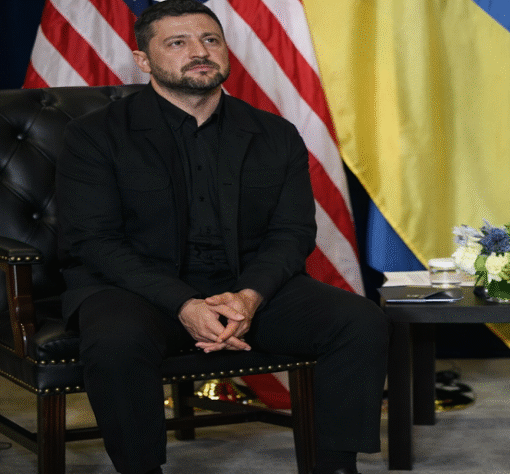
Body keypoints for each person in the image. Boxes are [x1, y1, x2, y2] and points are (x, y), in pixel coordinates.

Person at [56, 1, 388, 473]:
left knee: (358, 320)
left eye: (210, 40)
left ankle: (334, 466)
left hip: (243, 287)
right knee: (116, 340)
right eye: (178, 42)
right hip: (136, 289)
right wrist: (184, 303)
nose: (200, 52)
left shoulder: (275, 133)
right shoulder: (94, 135)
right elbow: (94, 241)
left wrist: (249, 297)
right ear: (143, 60)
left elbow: (292, 233)